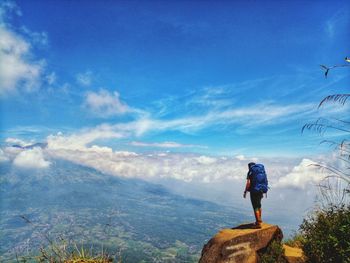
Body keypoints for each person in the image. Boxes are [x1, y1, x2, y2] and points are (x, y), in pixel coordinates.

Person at [243, 162, 265, 228]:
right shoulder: (261, 171)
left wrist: (245, 192)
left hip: (254, 191)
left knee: (255, 207)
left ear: (249, 166)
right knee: (259, 205)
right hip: (261, 190)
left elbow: (248, 183)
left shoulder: (250, 172)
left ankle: (258, 224)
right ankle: (259, 220)